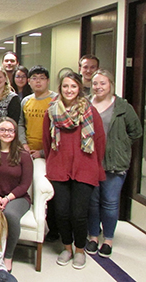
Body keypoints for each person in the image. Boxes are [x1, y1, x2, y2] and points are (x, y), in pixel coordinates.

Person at [43, 71, 106, 269]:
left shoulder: (89, 110)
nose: (69, 90)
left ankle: (80, 249)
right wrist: (52, 160)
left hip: (84, 168)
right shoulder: (51, 111)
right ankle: (67, 247)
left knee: (79, 213)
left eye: (73, 86)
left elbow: (99, 141)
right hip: (59, 168)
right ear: (60, 88)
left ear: (79, 89)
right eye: (65, 86)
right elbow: (47, 140)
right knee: (61, 212)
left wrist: (95, 165)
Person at [86, 69, 142, 258]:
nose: (98, 87)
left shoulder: (123, 107)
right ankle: (93, 237)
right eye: (95, 83)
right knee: (93, 203)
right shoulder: (85, 104)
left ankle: (108, 239)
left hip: (114, 165)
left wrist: (119, 146)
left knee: (110, 203)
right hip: (90, 163)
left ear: (110, 84)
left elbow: (136, 132)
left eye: (103, 83)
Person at [0, 117, 32, 272]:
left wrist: (7, 198)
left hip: (18, 197)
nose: (6, 133)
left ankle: (7, 256)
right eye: (2, 130)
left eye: (10, 130)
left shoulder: (24, 155)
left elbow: (25, 185)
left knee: (10, 215)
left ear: (15, 133)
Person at [17, 65, 59, 242]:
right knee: (31, 189)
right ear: (29, 81)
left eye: (41, 78)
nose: (38, 81)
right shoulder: (26, 100)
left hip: (50, 154)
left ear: (47, 80)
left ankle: (53, 230)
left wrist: (42, 152)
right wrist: (24, 144)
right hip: (28, 152)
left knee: (50, 192)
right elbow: (20, 124)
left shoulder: (56, 100)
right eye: (34, 78)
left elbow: (59, 129)